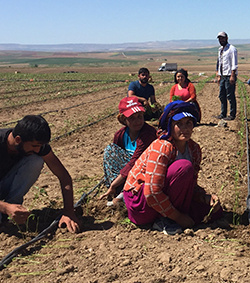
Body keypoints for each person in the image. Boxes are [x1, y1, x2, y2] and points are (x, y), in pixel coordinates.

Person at [0, 115, 80, 235]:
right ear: (18, 140)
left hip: (4, 180)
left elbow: (63, 175)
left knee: (36, 160)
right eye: (34, 146)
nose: (38, 150)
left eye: (40, 146)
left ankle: (13, 208)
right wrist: (6, 208)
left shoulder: (35, 145)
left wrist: (69, 212)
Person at [123, 101, 222, 235]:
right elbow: (152, 191)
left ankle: (167, 216)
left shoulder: (194, 149)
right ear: (170, 126)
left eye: (188, 123)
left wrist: (205, 197)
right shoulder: (163, 147)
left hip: (164, 197)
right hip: (141, 201)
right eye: (179, 124)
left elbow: (189, 185)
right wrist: (178, 217)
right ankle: (166, 220)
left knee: (215, 211)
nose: (185, 128)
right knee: (183, 167)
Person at [98, 96, 158, 207]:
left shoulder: (147, 134)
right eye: (132, 118)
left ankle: (124, 192)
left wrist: (113, 184)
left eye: (140, 116)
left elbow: (135, 162)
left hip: (144, 169)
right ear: (124, 120)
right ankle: (120, 190)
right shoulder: (120, 135)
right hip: (128, 171)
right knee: (110, 150)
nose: (137, 121)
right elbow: (115, 160)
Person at [214, 31, 238, 121]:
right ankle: (223, 113)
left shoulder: (232, 49)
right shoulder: (220, 50)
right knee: (222, 95)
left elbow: (234, 63)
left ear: (227, 38)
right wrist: (218, 75)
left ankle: (232, 114)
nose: (221, 40)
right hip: (222, 75)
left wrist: (232, 75)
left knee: (230, 95)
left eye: (222, 38)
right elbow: (219, 62)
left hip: (229, 75)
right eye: (219, 38)